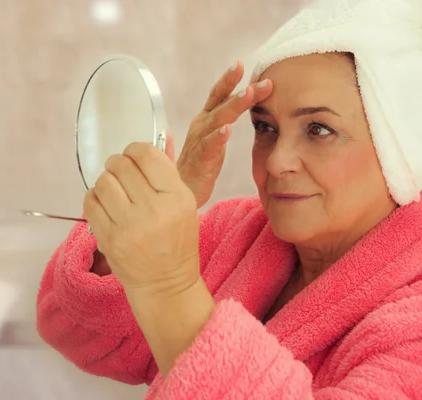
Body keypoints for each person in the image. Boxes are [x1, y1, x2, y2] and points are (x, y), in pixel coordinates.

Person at [36, 0, 422, 398]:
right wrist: (161, 209)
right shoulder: (237, 233)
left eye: (319, 129)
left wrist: (170, 286)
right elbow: (76, 332)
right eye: (265, 127)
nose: (277, 160)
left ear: (400, 148)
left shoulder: (413, 323)